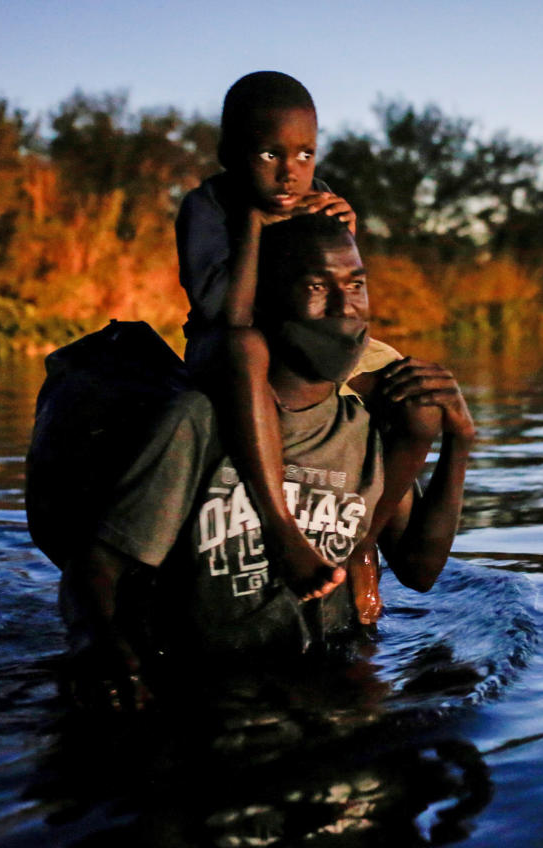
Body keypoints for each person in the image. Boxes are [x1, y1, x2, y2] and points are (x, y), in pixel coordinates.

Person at [66, 213, 475, 711]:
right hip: (201, 687)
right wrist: (103, 645)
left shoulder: (363, 426)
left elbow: (420, 570)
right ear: (265, 301)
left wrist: (459, 444)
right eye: (316, 286)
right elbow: (97, 566)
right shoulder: (198, 421)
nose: (345, 307)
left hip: (318, 676)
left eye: (357, 285)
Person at [177, 71, 439, 628]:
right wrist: (253, 227)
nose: (289, 170)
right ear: (229, 153)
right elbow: (227, 314)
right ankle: (279, 526)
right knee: (247, 347)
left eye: (304, 153)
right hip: (223, 346)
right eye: (270, 153)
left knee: (405, 389)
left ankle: (366, 537)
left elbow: (340, 290)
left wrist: (345, 231)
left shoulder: (314, 198)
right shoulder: (208, 206)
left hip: (301, 342)